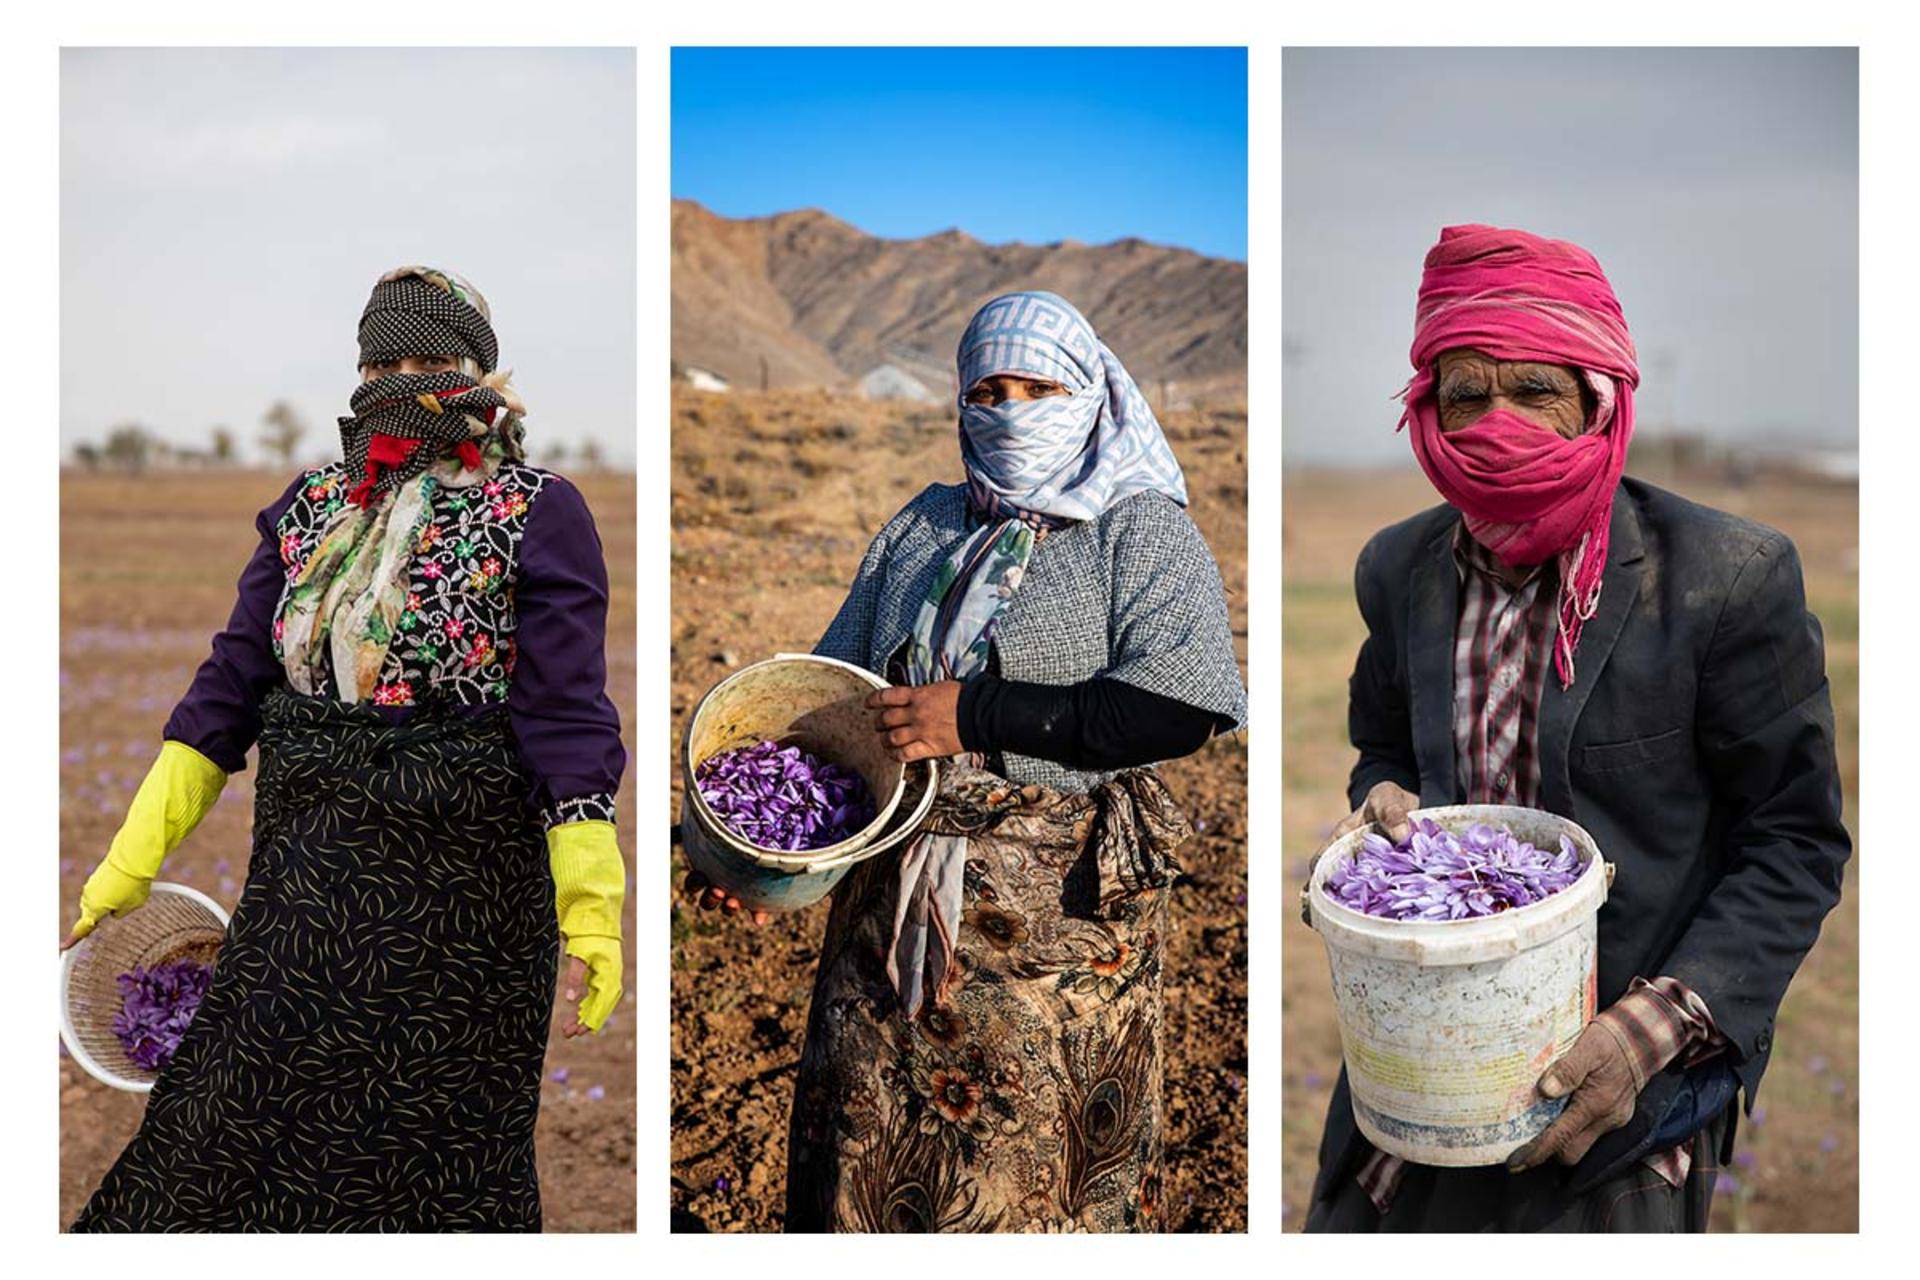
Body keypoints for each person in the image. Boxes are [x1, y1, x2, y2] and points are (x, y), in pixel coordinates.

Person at [1302, 225, 1850, 1232]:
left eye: (1535, 389)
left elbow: (1794, 841)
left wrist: (1648, 1030)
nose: (1497, 420)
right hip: (1426, 1044)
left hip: (1624, 1075)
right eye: (1466, 391)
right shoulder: (1400, 570)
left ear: (1599, 400)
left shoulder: (1725, 578)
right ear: (1426, 410)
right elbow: (1381, 747)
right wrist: (1378, 801)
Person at [64, 266, 628, 1232]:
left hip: (466, 906)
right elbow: (232, 684)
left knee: (435, 1163)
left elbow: (565, 710)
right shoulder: (312, 503)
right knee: (215, 1134)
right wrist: (133, 854)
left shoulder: (540, 507)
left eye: (432, 360)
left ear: (480, 372)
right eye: (383, 359)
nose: (404, 379)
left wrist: (592, 899)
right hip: (309, 882)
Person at [689, 290, 1246, 1232]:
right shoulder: (926, 526)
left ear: (1091, 393)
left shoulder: (1136, 528)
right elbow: (834, 703)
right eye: (989, 390)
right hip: (887, 918)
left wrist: (977, 712)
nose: (1013, 409)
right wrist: (757, 855)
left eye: (1039, 387)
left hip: (1056, 937)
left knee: (1031, 1184)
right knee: (870, 1161)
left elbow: (1180, 707)